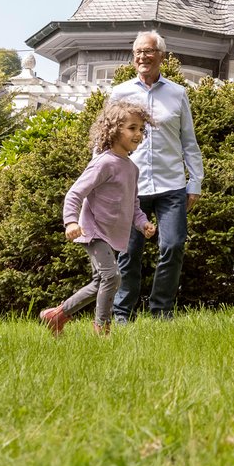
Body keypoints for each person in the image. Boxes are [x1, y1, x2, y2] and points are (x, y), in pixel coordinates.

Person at [40, 99, 158, 336]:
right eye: (132, 128)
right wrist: (71, 222)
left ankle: (56, 316)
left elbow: (133, 204)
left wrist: (142, 222)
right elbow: (75, 193)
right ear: (114, 130)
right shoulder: (103, 163)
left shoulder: (131, 168)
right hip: (93, 231)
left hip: (110, 233)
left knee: (101, 282)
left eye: (141, 129)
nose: (138, 134)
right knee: (111, 277)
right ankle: (102, 327)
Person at [110, 31, 203, 322]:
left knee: (173, 245)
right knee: (128, 253)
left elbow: (189, 141)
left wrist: (195, 182)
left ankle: (161, 310)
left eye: (148, 52)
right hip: (132, 187)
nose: (142, 57)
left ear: (161, 55)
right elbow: (105, 140)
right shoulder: (120, 93)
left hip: (172, 185)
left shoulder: (177, 93)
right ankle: (122, 314)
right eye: (138, 52)